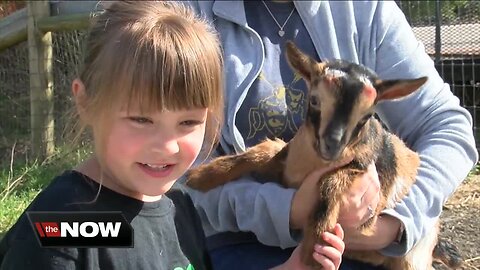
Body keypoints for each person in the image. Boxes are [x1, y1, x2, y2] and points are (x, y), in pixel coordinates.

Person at [0, 1, 346, 270]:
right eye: (140, 119)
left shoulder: (180, 208)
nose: (167, 145)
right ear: (85, 102)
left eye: (188, 123)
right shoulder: (64, 225)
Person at [179, 1, 479, 269]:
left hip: (368, 245)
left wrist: (395, 227)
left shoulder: (363, 9)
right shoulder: (188, 11)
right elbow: (178, 173)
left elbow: (447, 125)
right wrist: (292, 211)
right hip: (240, 240)